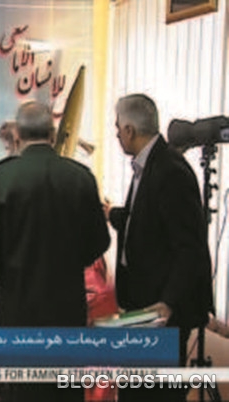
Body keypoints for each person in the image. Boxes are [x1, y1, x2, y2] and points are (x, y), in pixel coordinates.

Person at [0, 101, 110, 402]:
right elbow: (99, 242)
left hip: (16, 314)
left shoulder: (0, 178)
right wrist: (69, 267)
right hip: (67, 313)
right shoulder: (80, 177)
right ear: (52, 134)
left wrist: (8, 281)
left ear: (17, 135)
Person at [103, 93, 213, 402]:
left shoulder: (170, 170)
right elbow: (146, 222)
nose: (116, 134)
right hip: (143, 304)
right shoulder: (148, 165)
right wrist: (112, 214)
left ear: (129, 130)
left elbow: (189, 247)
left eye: (117, 127)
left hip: (162, 309)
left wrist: (168, 301)